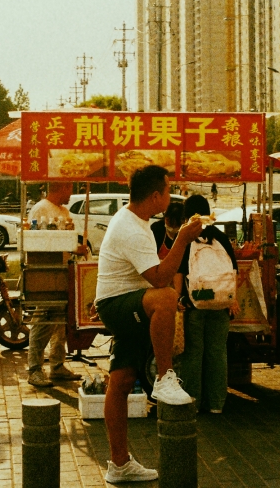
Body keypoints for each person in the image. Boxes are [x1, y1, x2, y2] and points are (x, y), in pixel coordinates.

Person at [95, 165, 201, 483]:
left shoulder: (137, 221)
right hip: (117, 305)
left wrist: (172, 240)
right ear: (156, 196)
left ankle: (119, 464)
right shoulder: (130, 227)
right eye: (168, 191)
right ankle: (165, 377)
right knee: (167, 297)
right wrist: (182, 239)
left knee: (122, 380)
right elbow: (159, 278)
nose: (170, 197)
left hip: (125, 303)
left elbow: (153, 262)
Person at [175, 194, 239, 414]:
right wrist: (232, 298)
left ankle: (193, 401)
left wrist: (178, 298)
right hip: (220, 303)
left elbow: (179, 271)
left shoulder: (185, 238)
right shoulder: (220, 237)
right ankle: (216, 404)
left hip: (195, 304)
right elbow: (234, 270)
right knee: (218, 352)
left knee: (193, 353)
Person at [26, 182, 79, 387]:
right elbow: (37, 242)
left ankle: (57, 365)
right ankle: (34, 369)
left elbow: (67, 240)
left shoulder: (64, 211)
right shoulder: (40, 208)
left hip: (64, 269)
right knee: (44, 319)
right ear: (61, 188)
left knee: (60, 323)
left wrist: (75, 245)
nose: (71, 193)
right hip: (47, 272)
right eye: (70, 189)